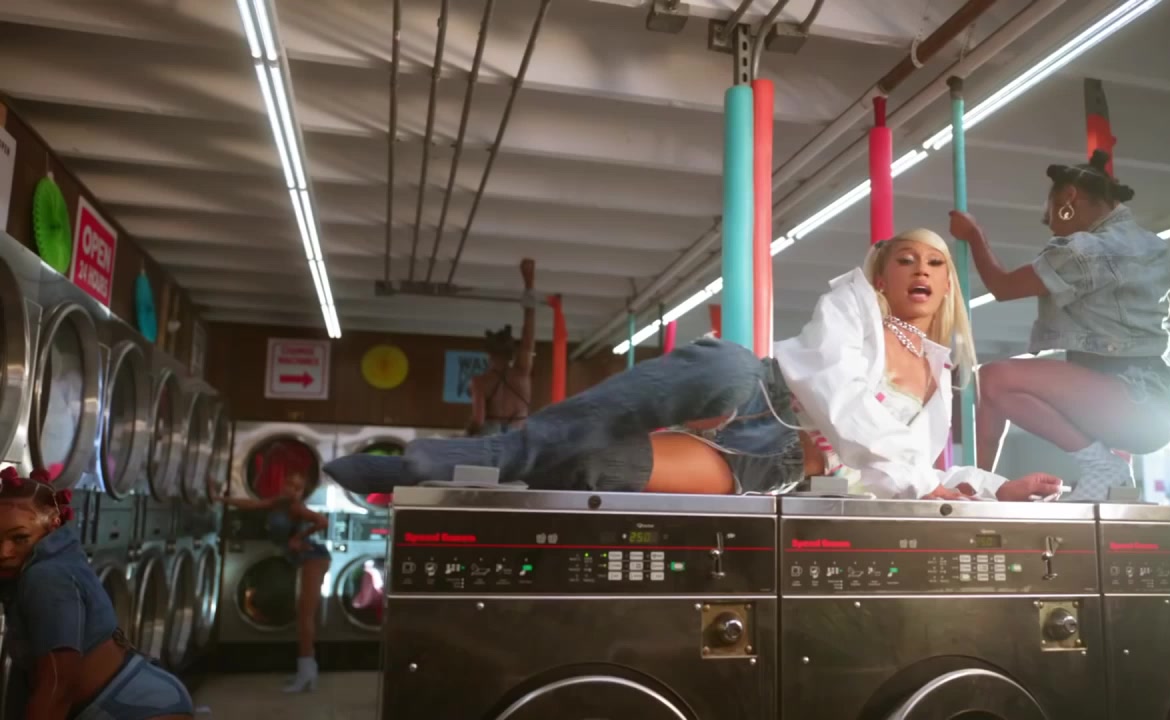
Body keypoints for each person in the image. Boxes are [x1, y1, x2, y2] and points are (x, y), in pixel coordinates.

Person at [326, 229, 1060, 501]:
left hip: (774, 462)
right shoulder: (851, 305)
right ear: (882, 273)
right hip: (752, 391)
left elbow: (924, 471)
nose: (922, 270)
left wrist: (996, 488)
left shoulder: (940, 376)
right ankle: (441, 464)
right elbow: (837, 396)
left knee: (596, 470)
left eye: (936, 263)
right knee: (704, 378)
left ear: (949, 286)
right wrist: (916, 483)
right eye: (906, 259)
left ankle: (472, 489)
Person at [949, 149, 1170, 501]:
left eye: (1049, 214)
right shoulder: (1151, 245)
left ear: (1069, 197)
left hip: (1129, 396)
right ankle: (978, 487)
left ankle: (1101, 467)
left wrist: (974, 236)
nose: (1050, 225)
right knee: (996, 392)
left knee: (992, 376)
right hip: (1150, 401)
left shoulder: (1086, 250)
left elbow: (1003, 287)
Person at [0, 466, 194, 719]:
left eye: (20, 538)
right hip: (138, 696)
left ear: (52, 525)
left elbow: (59, 684)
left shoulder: (46, 578)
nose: (4, 552)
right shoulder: (62, 556)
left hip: (134, 709)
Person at [219, 471, 329, 693]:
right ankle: (307, 671)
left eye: (297, 488)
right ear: (282, 484)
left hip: (314, 557)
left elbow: (322, 521)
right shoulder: (278, 503)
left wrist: (298, 537)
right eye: (289, 484)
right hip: (303, 558)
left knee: (305, 616)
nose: (292, 490)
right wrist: (221, 499)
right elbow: (251, 505)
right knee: (303, 615)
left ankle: (307, 672)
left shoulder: (295, 507)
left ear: (302, 493)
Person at [467, 258, 538, 436]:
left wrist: (468, 434)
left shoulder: (480, 381)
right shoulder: (522, 372)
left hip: (492, 435)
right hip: (518, 433)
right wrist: (529, 283)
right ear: (511, 353)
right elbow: (528, 336)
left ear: (489, 354)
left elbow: (479, 419)